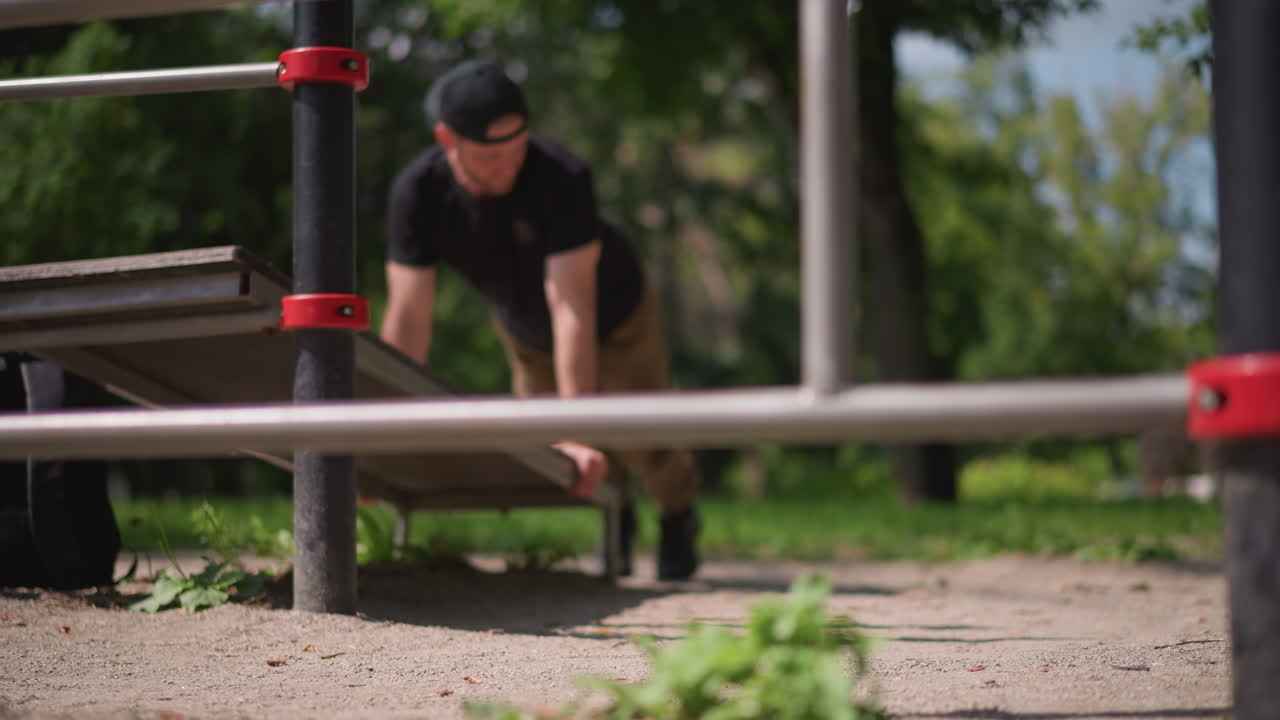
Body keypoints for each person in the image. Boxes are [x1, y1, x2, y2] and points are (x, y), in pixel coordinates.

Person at [380, 59, 701, 581]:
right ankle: (616, 517)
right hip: (524, 327)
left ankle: (678, 514)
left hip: (616, 314)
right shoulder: (417, 193)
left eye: (517, 148)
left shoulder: (562, 175)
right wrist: (382, 427)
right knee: (548, 445)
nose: (508, 165)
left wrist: (576, 427)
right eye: (490, 156)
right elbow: (410, 316)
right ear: (447, 139)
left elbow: (572, 304)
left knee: (635, 430)